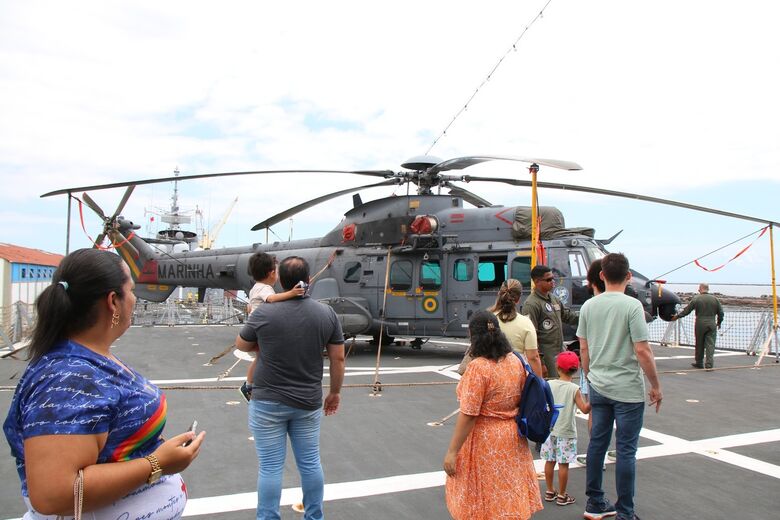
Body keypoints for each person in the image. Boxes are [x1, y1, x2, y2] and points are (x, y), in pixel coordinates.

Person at [3, 248, 205, 519]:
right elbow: (54, 493)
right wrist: (157, 463)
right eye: (131, 290)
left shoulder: (86, 357)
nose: (134, 298)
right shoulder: (69, 378)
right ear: (113, 301)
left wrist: (145, 446)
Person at [235, 256, 345, 520]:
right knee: (310, 464)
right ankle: (314, 516)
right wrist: (334, 392)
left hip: (267, 402)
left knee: (270, 468)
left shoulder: (264, 311)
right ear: (307, 280)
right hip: (307, 402)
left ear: (280, 280)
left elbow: (241, 345)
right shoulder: (326, 313)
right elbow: (338, 358)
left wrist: (264, 342)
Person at [577, 253, 662, 520]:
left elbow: (584, 348)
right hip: (627, 389)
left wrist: (591, 377)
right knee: (626, 450)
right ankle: (625, 511)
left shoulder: (589, 306)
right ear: (628, 276)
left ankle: (594, 503)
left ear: (601, 275)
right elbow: (642, 350)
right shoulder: (632, 306)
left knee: (596, 445)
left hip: (599, 386)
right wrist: (656, 385)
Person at [443, 310, 543, 520]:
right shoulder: (515, 360)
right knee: (507, 493)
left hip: (484, 441)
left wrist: (452, 451)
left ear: (473, 337)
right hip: (512, 438)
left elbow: (469, 414)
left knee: (481, 496)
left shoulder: (478, 368)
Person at [240, 252, 305, 402]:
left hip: (254, 327)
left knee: (261, 357)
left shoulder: (255, 287)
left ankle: (249, 385)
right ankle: (250, 385)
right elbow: (272, 299)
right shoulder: (265, 289)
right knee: (265, 357)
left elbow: (252, 306)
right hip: (261, 329)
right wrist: (292, 293)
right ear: (271, 273)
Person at [541, 351, 591, 507]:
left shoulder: (549, 384)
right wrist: (594, 399)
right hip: (566, 432)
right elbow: (584, 409)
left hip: (549, 430)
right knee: (563, 464)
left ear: (557, 367)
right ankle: (562, 495)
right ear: (576, 369)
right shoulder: (574, 389)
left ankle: (550, 491)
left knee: (549, 461)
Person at [521, 264, 579, 378]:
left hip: (559, 352)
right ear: (537, 282)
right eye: (548, 279)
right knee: (552, 386)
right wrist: (541, 363)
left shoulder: (553, 298)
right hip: (547, 356)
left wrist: (586, 316)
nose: (553, 281)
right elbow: (531, 336)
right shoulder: (531, 304)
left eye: (553, 278)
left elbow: (567, 316)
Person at [490, 279, 543, 375]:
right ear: (518, 299)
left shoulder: (487, 319)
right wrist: (539, 382)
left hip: (490, 373)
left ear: (499, 294)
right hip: (517, 374)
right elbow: (533, 357)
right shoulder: (526, 323)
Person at [671, 283, 724, 370]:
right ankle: (709, 364)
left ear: (700, 289)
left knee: (699, 343)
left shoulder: (696, 299)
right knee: (710, 344)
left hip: (700, 323)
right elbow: (721, 313)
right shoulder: (715, 299)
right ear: (708, 289)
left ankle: (699, 362)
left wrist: (677, 316)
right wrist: (719, 322)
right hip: (711, 322)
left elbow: (687, 310)